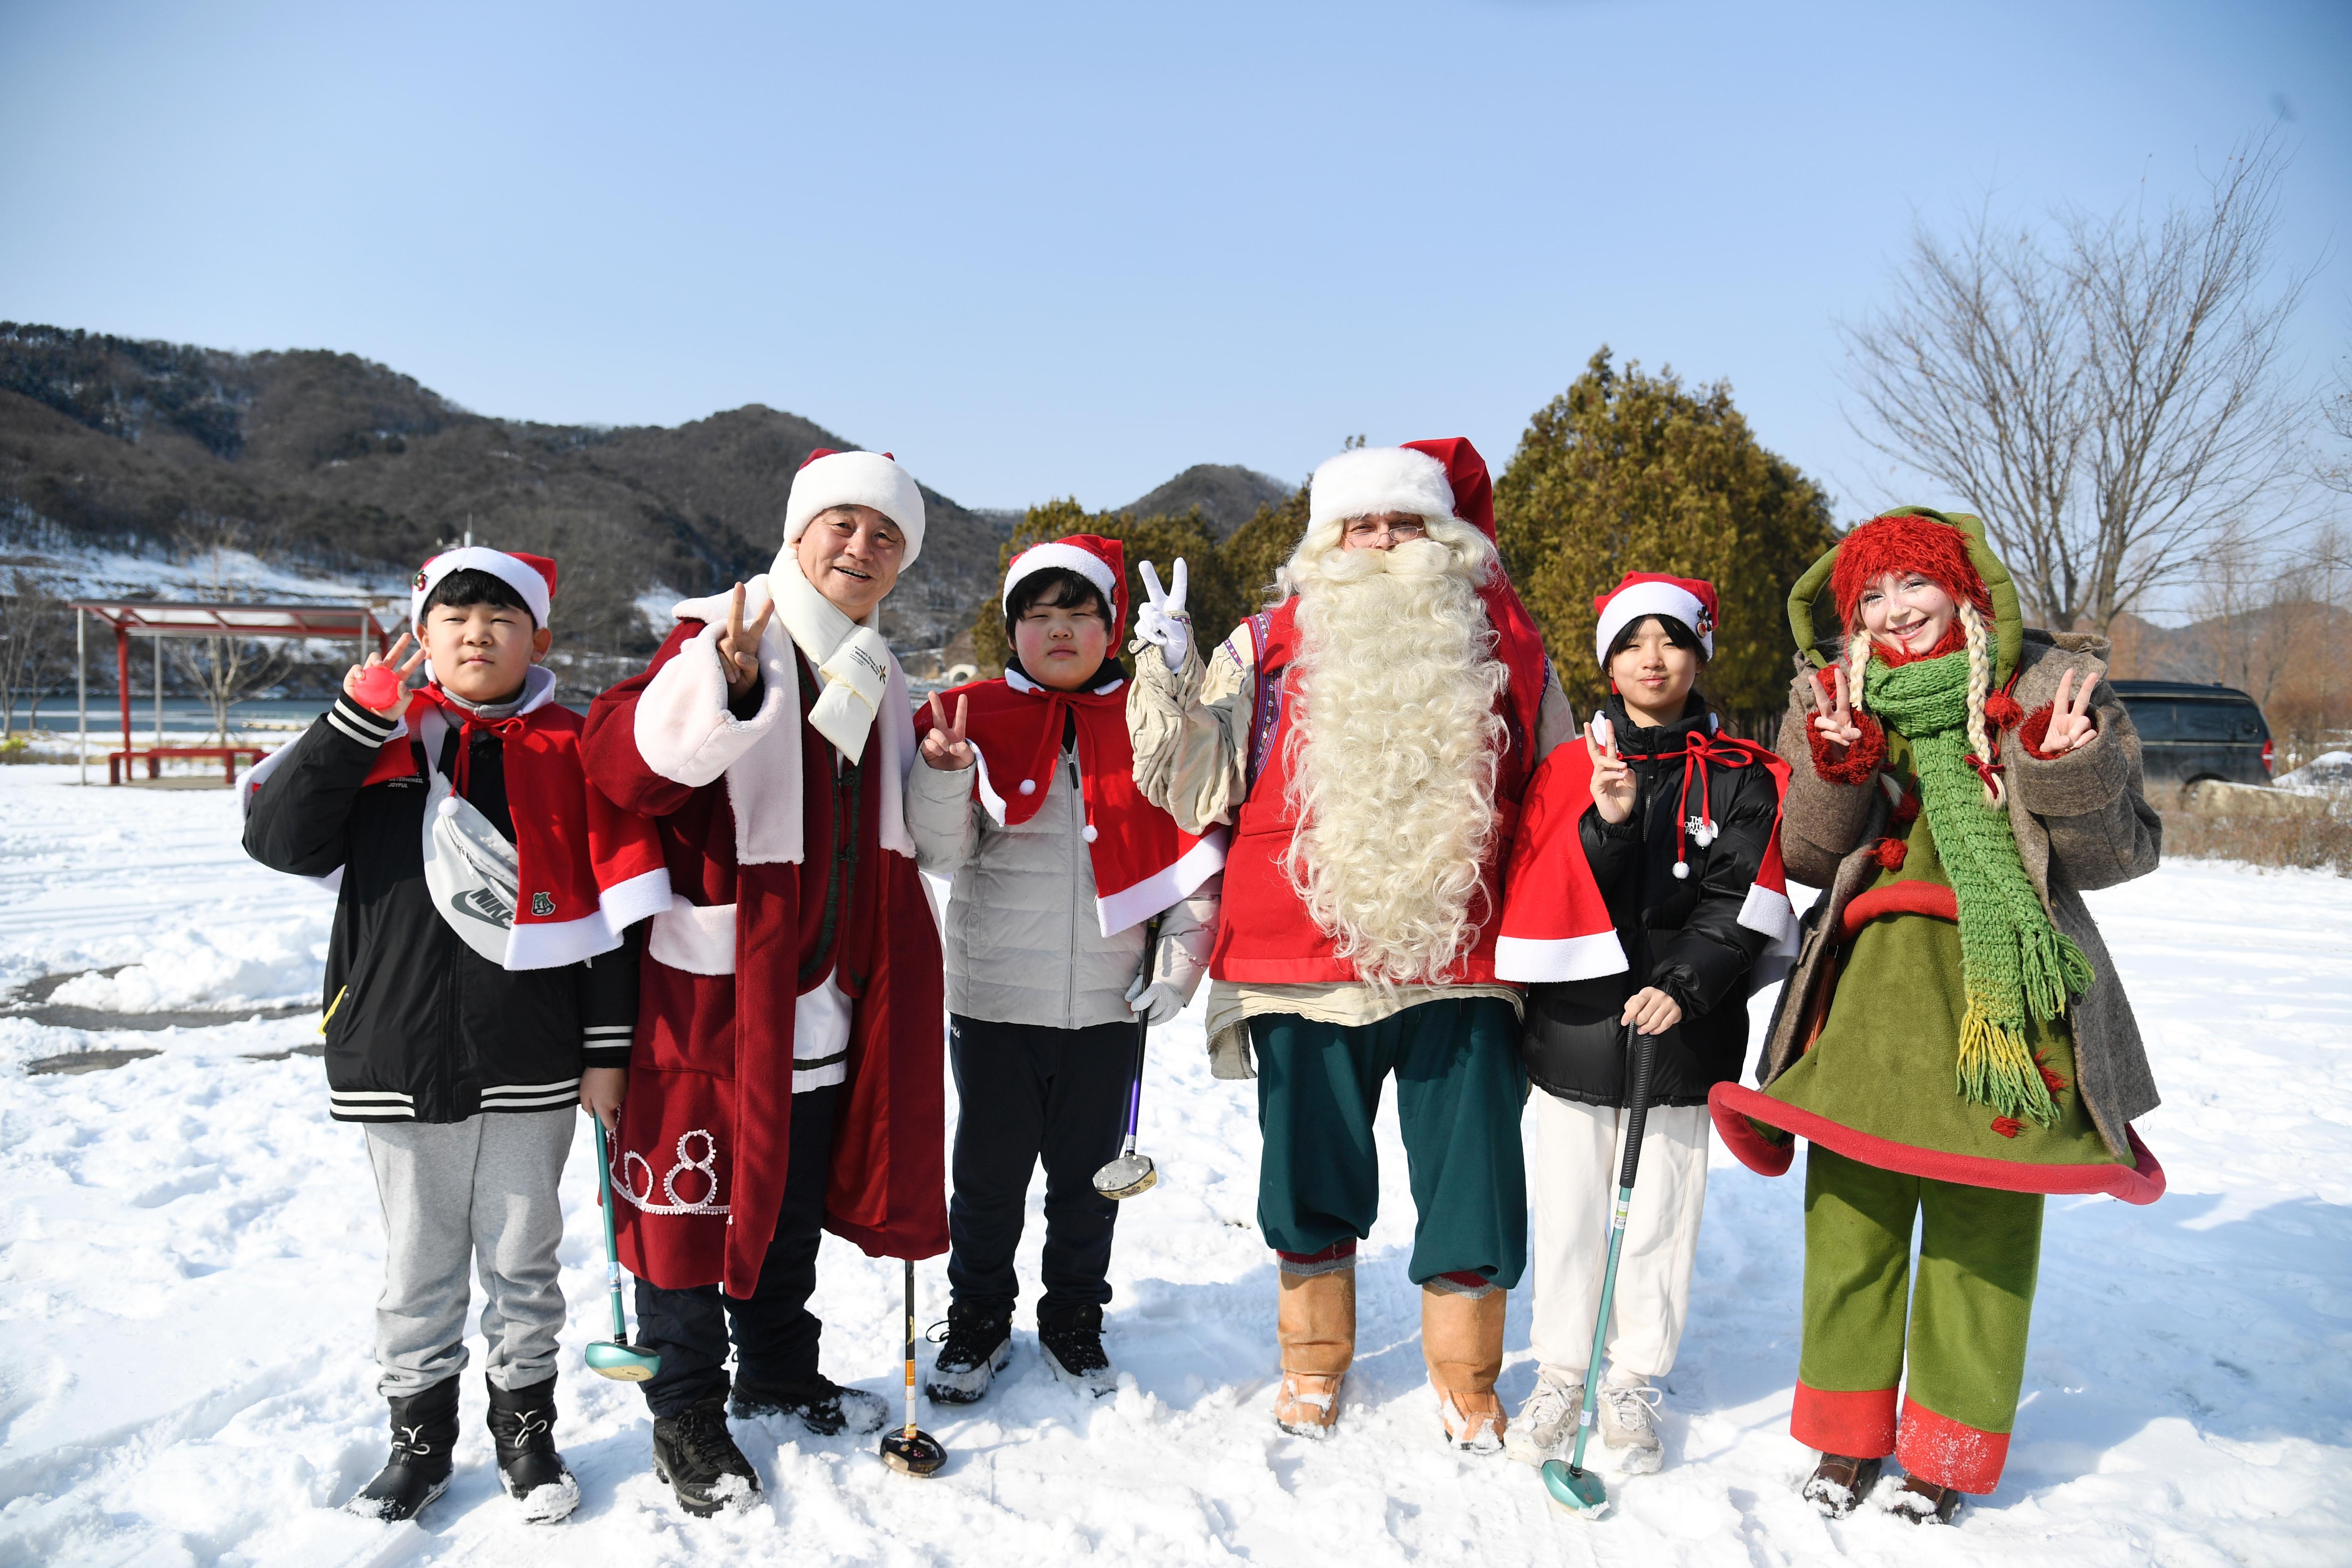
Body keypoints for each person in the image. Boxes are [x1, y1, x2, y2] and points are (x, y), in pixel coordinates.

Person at [1708, 507, 2166, 1524]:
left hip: (2014, 1000)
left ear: (1963, 586)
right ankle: (1844, 1437)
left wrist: (2058, 765)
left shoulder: (2052, 685)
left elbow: (2123, 854)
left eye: (1911, 583)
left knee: (1984, 1226)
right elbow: (1813, 859)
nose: (1893, 609)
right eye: (1868, 596)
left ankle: (1948, 1450)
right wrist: (1839, 768)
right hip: (1872, 994)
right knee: (1852, 1221)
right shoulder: (1832, 692)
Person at [1127, 439, 1576, 1450]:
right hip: (1298, 954)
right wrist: (1163, 664)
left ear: (1445, 538)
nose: (1380, 542)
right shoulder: (1261, 641)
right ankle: (1313, 1363)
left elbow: (1560, 787)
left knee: (1475, 1175)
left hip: (1460, 957)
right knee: (1307, 1169)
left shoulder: (1506, 641)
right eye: (1359, 525)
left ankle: (1468, 1374)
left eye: (1403, 523)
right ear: (1324, 541)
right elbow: (1192, 781)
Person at [242, 547, 670, 1524]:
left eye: (501, 617)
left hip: (533, 1054)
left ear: (541, 640)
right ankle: (419, 1440)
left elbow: (610, 921)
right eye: (455, 617)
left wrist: (607, 1053)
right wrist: (355, 720)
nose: (477, 633)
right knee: (417, 1265)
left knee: (524, 1256)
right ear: (422, 636)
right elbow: (278, 838)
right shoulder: (380, 741)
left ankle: (527, 1432)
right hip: (393, 1048)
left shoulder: (572, 747)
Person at [580, 448, 948, 1518]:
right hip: (715, 995)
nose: (861, 547)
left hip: (834, 997)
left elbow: (918, 839)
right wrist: (730, 683)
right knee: (690, 1212)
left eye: (886, 536)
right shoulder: (716, 640)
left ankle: (779, 1365)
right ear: (797, 534)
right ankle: (685, 1409)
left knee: (787, 1204)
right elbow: (629, 767)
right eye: (841, 524)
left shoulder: (884, 673)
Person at [906, 534, 1223, 1402]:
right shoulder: (968, 713)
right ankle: (977, 1319)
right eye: (1037, 615)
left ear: (1111, 627)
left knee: (1090, 1183)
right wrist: (944, 772)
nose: (1057, 631)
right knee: (988, 1180)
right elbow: (940, 849)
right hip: (994, 998)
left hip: (1107, 1003)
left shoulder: (1147, 723)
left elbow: (1194, 856)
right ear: (1012, 629)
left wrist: (1178, 968)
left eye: (1077, 614)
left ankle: (1075, 1316)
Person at [1492, 574, 1796, 1472]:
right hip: (1579, 1027)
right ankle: (1560, 1370)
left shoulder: (1744, 773)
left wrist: (1688, 984)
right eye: (1631, 642)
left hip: (1686, 1030)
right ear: (1609, 662)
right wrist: (1612, 820)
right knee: (1574, 1206)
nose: (1651, 658)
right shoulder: (1566, 767)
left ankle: (1630, 1379)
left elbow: (1745, 896)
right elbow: (1550, 890)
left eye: (1670, 640)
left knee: (1662, 1207)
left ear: (1699, 652)